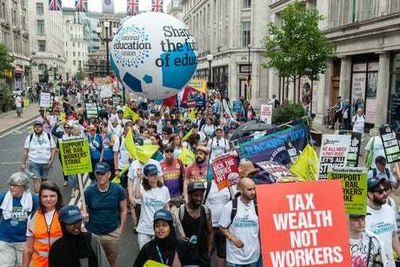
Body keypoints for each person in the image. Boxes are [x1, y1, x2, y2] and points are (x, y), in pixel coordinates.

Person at [84, 162, 127, 267]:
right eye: (98, 173)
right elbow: (83, 209)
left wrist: (120, 229)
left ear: (108, 174)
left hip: (112, 233)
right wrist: (83, 215)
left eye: (103, 173)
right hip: (94, 233)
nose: (100, 176)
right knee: (94, 260)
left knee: (111, 261)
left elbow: (124, 210)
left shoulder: (118, 189)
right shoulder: (89, 191)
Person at [219, 178, 261, 267]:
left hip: (253, 257)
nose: (253, 192)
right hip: (234, 259)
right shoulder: (230, 206)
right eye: (249, 189)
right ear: (241, 190)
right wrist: (232, 237)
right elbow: (222, 227)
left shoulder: (258, 206)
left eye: (254, 189)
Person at [0, 173, 38, 267]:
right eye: (11, 185)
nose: (12, 188)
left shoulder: (33, 199)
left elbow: (39, 217)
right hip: (5, 240)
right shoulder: (3, 197)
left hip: (24, 241)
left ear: (24, 187)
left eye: (15, 185)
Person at [23, 181, 63, 267]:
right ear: (40, 198)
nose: (48, 199)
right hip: (39, 264)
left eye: (52, 196)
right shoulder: (33, 217)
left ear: (58, 196)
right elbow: (28, 248)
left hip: (61, 262)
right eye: (45, 196)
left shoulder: (65, 214)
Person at [365, 176, 400, 267]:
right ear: (370, 194)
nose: (385, 193)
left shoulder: (389, 210)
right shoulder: (362, 215)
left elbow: (394, 237)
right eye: (380, 192)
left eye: (385, 190)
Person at [134, 164, 170, 249]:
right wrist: (139, 178)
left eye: (155, 174)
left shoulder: (164, 190)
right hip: (144, 229)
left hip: (159, 229)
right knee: (144, 256)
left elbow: (166, 207)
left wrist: (168, 225)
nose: (155, 176)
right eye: (152, 175)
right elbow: (137, 195)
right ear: (146, 177)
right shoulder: (142, 188)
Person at [177, 182, 213, 267]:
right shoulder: (180, 211)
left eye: (201, 195)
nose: (199, 198)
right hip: (185, 257)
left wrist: (208, 253)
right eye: (196, 195)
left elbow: (210, 232)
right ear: (189, 195)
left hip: (202, 257)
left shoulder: (206, 211)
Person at [21, 119, 57, 193]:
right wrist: (23, 163)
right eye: (36, 126)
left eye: (39, 126)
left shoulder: (48, 136)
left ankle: (43, 196)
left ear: (42, 127)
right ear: (33, 128)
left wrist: (51, 161)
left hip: (46, 163)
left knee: (44, 181)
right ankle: (38, 198)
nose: (37, 128)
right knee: (36, 180)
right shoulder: (29, 137)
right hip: (33, 162)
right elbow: (25, 151)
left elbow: (53, 149)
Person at [204, 179, 233, 267]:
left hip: (224, 227)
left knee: (222, 254)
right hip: (209, 227)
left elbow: (233, 200)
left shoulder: (228, 185)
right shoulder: (207, 185)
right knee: (207, 253)